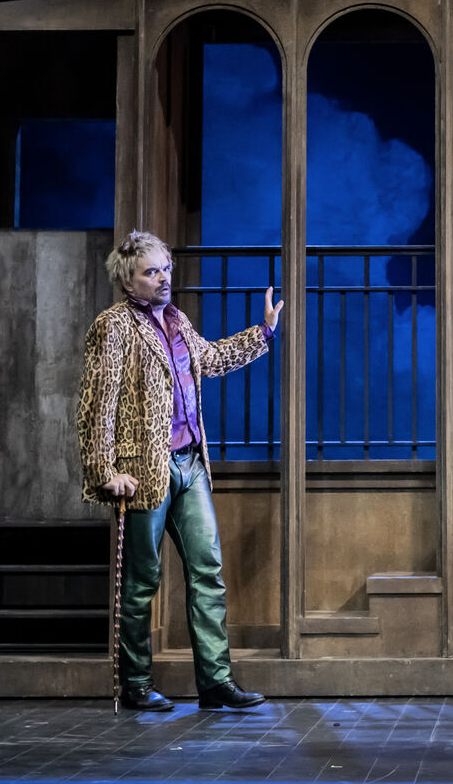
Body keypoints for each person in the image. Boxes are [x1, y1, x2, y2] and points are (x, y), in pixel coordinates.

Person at [77, 230, 283, 711]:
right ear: (128, 280)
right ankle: (134, 684)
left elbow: (210, 359)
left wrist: (263, 332)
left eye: (165, 268)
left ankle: (215, 682)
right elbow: (95, 406)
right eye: (151, 272)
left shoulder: (176, 319)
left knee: (207, 571)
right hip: (143, 470)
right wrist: (105, 470)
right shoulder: (113, 326)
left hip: (190, 463)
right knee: (141, 581)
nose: (163, 278)